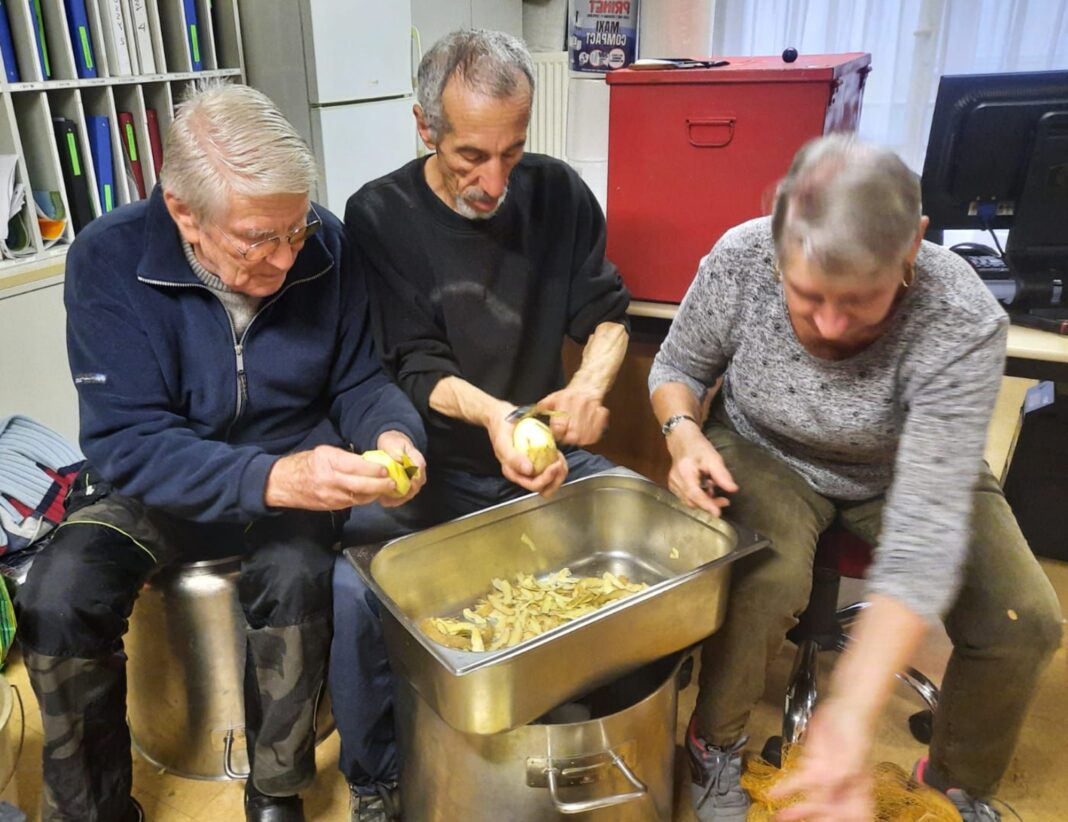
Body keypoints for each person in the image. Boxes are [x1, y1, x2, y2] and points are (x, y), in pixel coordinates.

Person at [14, 83, 427, 822]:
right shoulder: (107, 262)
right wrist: (271, 476)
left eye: (294, 230)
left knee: (298, 574)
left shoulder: (324, 246)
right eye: (258, 240)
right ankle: (94, 806)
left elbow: (361, 379)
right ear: (183, 213)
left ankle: (275, 788)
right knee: (56, 591)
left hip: (289, 473)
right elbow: (129, 443)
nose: (284, 257)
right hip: (161, 487)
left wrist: (394, 434)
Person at [649, 135, 1062, 822]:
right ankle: (712, 743)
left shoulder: (961, 316)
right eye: (808, 296)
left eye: (860, 299)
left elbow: (925, 538)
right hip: (764, 449)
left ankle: (949, 785)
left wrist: (848, 714)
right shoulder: (742, 256)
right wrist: (682, 433)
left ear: (914, 246)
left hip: (907, 468)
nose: (831, 327)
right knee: (766, 576)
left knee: (1024, 619)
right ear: (779, 238)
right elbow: (676, 368)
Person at [329, 29, 631, 821]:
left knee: (647, 531)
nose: (495, 180)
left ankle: (596, 722)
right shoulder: (380, 214)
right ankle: (376, 779)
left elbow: (607, 317)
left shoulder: (558, 192)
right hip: (436, 463)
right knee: (355, 591)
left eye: (513, 152)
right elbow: (416, 367)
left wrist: (590, 384)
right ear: (425, 126)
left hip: (538, 458)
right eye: (471, 156)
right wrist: (501, 416)